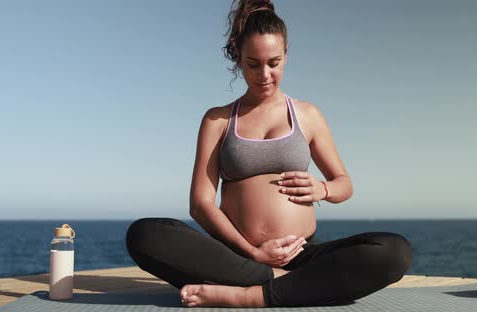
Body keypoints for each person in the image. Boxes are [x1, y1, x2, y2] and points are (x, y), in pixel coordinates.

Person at [125, 0, 413, 307]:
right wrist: (253, 253)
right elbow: (201, 204)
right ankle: (283, 283)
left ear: (286, 54)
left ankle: (251, 295)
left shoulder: (308, 114)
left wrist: (323, 188)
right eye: (253, 64)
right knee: (144, 235)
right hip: (236, 256)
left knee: (395, 251)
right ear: (238, 56)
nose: (264, 74)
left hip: (301, 255)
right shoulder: (217, 120)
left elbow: (345, 184)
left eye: (273, 63)